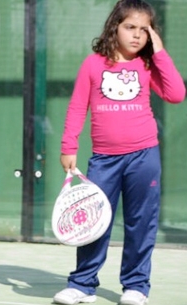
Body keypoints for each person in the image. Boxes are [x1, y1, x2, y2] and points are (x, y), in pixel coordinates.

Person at [54, 1, 186, 305]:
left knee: (141, 222)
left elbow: (177, 94)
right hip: (103, 160)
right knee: (94, 221)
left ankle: (136, 287)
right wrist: (68, 146)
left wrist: (161, 52)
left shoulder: (149, 65)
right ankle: (83, 285)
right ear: (115, 26)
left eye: (145, 30)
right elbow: (77, 107)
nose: (137, 35)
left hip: (144, 157)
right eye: (131, 27)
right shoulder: (92, 64)